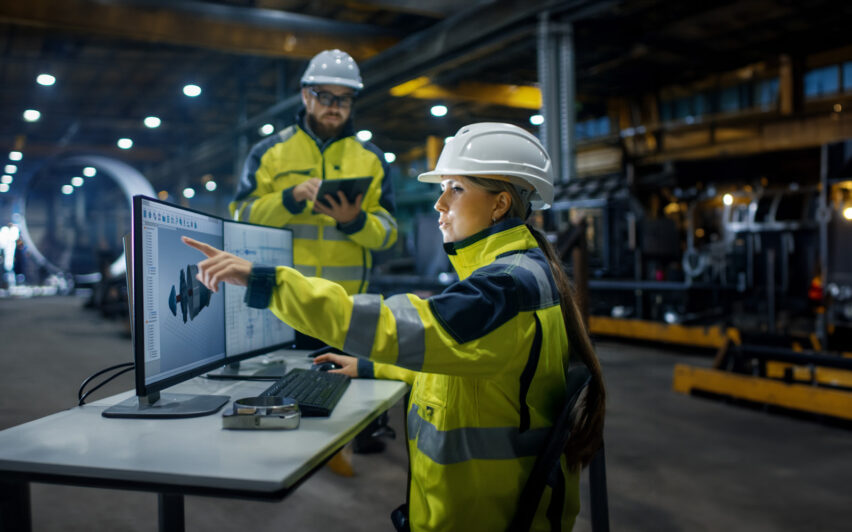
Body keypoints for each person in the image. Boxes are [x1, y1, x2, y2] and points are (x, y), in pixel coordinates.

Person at [184, 122, 606, 531]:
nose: (440, 204)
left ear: (500, 204)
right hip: (483, 508)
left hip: (479, 517)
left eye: (456, 188)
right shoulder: (517, 270)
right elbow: (463, 361)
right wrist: (371, 368)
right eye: (442, 189)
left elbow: (397, 326)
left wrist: (267, 281)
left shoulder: (504, 288)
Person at [230, 48, 399, 458]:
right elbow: (240, 214)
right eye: (325, 96)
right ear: (305, 95)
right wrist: (289, 199)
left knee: (352, 402)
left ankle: (356, 441)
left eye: (344, 99)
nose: (335, 107)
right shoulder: (270, 153)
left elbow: (390, 232)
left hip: (346, 305)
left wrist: (355, 221)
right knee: (288, 394)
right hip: (285, 301)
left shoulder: (371, 160)